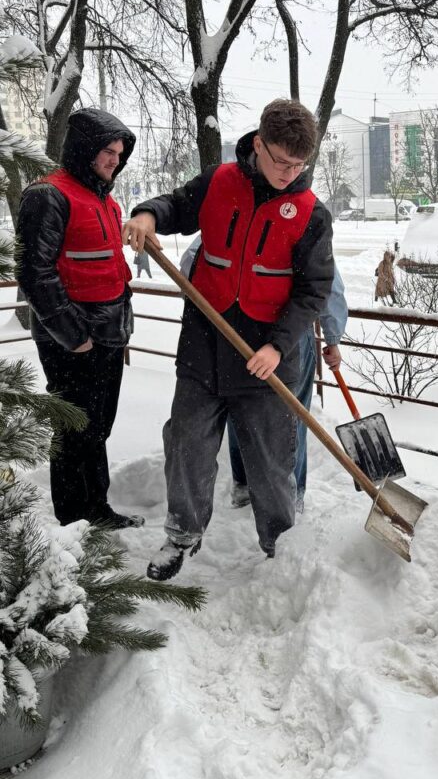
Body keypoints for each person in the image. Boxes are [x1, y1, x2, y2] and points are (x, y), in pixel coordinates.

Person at [123, 99, 334, 581]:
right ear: (257, 145)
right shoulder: (219, 182)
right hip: (205, 340)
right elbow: (175, 205)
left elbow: (313, 291)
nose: (289, 172)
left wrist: (278, 345)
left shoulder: (309, 215)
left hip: (265, 355)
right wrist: (148, 216)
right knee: (187, 442)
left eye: (299, 164)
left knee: (271, 458)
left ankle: (281, 544)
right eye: (280, 160)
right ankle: (181, 535)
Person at [16, 107, 144, 529]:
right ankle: (74, 522)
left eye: (119, 153)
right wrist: (74, 336)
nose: (115, 160)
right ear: (84, 149)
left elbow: (105, 267)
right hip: (71, 339)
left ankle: (97, 509)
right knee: (74, 431)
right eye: (107, 151)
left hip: (107, 334)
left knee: (98, 427)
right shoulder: (48, 195)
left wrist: (118, 327)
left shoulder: (104, 200)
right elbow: (35, 273)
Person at [229, 267, 348, 513]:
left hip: (238, 332)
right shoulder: (302, 230)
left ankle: (243, 486)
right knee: (293, 418)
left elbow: (193, 261)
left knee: (239, 407)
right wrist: (332, 338)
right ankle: (291, 495)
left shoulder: (231, 227)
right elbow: (328, 284)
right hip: (292, 334)